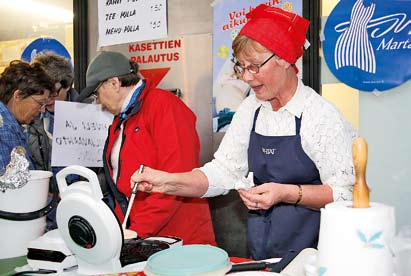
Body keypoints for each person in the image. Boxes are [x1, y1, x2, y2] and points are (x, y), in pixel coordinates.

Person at [130, 4, 357, 268]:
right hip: (264, 252)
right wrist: (166, 182)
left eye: (255, 66)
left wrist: (285, 193)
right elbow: (223, 171)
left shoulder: (319, 115)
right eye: (241, 67)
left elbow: (346, 194)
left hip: (316, 257)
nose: (246, 77)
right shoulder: (252, 108)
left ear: (284, 59)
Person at [76, 51, 216, 245]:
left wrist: (135, 233)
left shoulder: (164, 106)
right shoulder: (121, 119)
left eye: (96, 93)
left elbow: (175, 181)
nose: (98, 101)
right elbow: (120, 184)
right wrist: (118, 230)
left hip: (177, 238)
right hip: (141, 235)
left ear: (114, 83)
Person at [26, 51, 79, 230]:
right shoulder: (31, 118)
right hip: (47, 208)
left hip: (85, 203)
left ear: (68, 86)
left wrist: (85, 189)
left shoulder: (90, 113)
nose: (48, 99)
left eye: (54, 93)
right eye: (43, 93)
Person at [0, 60, 53, 172]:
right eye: (40, 103)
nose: (42, 110)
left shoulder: (13, 125)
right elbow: (11, 185)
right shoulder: (5, 129)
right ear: (18, 95)